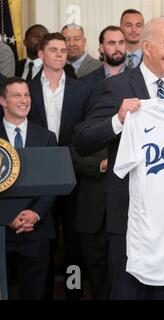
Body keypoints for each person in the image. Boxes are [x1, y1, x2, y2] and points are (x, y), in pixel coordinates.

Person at [74, 17, 164, 300]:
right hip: (129, 221)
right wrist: (118, 120)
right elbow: (82, 141)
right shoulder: (117, 87)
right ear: (147, 46)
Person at [27, 32, 93, 299]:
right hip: (38, 176)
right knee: (43, 243)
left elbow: (87, 132)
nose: (59, 54)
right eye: (52, 50)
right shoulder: (26, 89)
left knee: (74, 243)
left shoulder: (82, 89)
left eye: (63, 50)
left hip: (75, 173)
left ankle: (73, 294)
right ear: (41, 54)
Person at [75, 25, 128, 300]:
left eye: (121, 42)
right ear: (100, 48)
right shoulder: (86, 85)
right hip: (94, 197)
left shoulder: (139, 84)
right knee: (96, 279)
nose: (117, 47)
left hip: (129, 204)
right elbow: (77, 138)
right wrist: (101, 164)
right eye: (111, 42)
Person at [0, 77, 58, 299]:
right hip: (1, 230)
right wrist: (7, 216)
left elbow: (54, 182)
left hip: (36, 230)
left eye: (27, 95)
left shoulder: (46, 137)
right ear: (3, 101)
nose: (24, 101)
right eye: (17, 95)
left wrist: (34, 214)